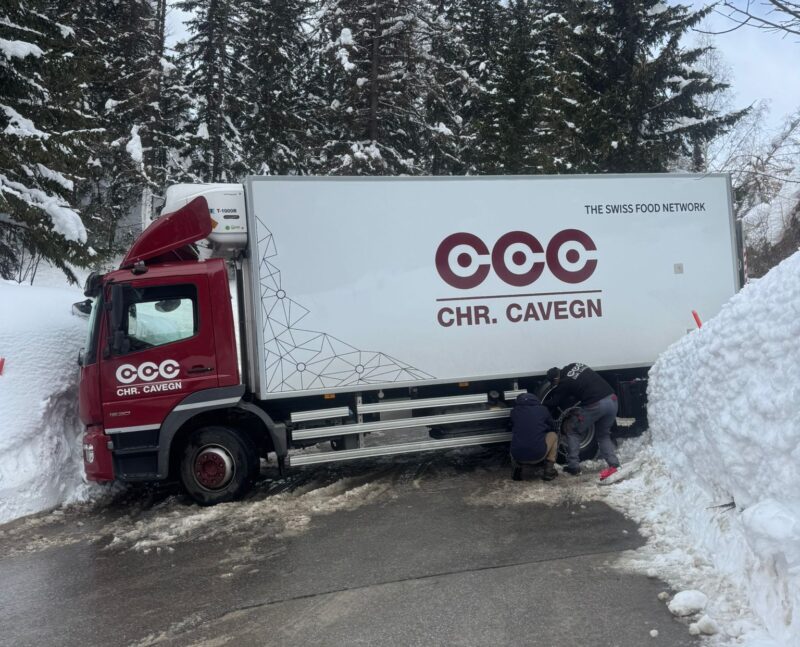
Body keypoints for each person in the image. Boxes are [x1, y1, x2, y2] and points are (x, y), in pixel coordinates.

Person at [544, 363, 620, 479]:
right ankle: (614, 464)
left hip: (596, 405)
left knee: (572, 430)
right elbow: (580, 386)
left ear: (555, 379)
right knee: (603, 435)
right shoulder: (575, 365)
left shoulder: (564, 382)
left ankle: (573, 466)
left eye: (554, 383)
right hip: (612, 399)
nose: (556, 385)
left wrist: (541, 405)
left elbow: (555, 402)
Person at [509, 393, 558, 482]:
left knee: (517, 437)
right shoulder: (543, 410)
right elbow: (553, 426)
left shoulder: (514, 411)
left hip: (517, 456)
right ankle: (549, 471)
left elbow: (510, 425)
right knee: (553, 435)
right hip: (538, 455)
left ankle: (517, 470)